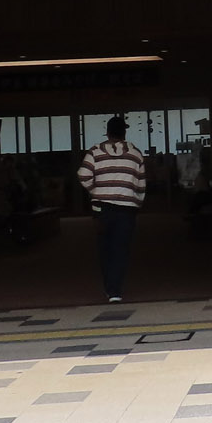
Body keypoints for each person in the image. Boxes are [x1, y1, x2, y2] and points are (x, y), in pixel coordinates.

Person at [77, 115, 146, 302]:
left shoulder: (95, 152)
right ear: (124, 133)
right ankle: (115, 291)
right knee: (120, 249)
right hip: (126, 209)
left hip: (102, 209)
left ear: (107, 133)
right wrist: (137, 202)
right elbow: (141, 184)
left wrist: (96, 191)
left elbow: (83, 175)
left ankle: (109, 287)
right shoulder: (135, 153)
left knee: (104, 248)